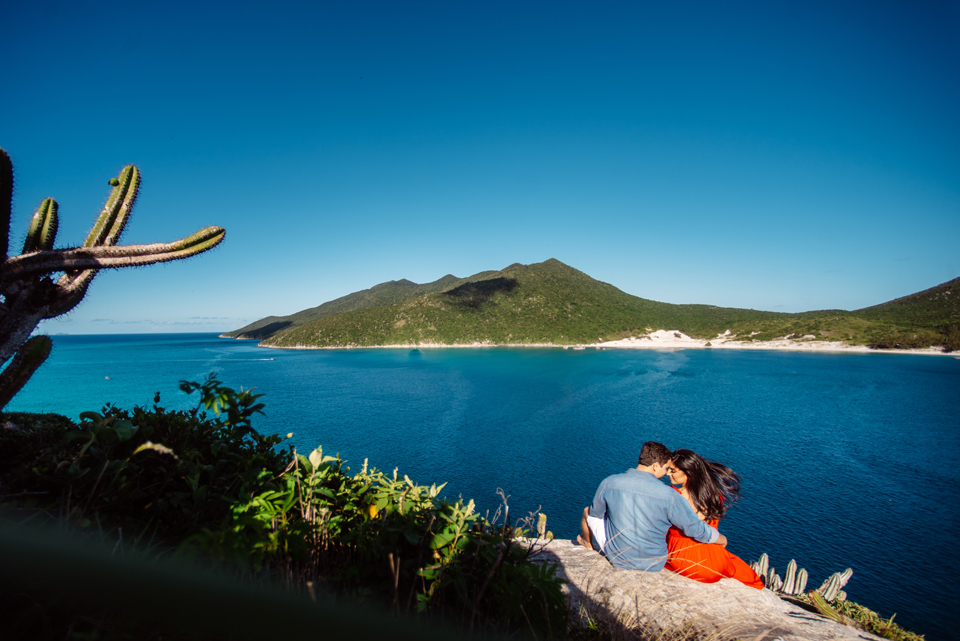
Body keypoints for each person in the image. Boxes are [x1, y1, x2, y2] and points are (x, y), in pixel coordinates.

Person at [577, 441, 726, 571]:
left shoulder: (609, 482)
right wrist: (721, 539)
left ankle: (587, 543)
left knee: (588, 512)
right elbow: (695, 529)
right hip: (654, 563)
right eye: (666, 468)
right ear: (656, 466)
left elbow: (595, 515)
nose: (667, 473)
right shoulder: (670, 495)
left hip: (618, 558)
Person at [663, 448, 763, 589]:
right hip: (713, 560)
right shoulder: (714, 495)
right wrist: (722, 540)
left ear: (688, 472)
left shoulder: (674, 496)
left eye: (673, 471)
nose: (668, 473)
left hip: (681, 558)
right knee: (742, 570)